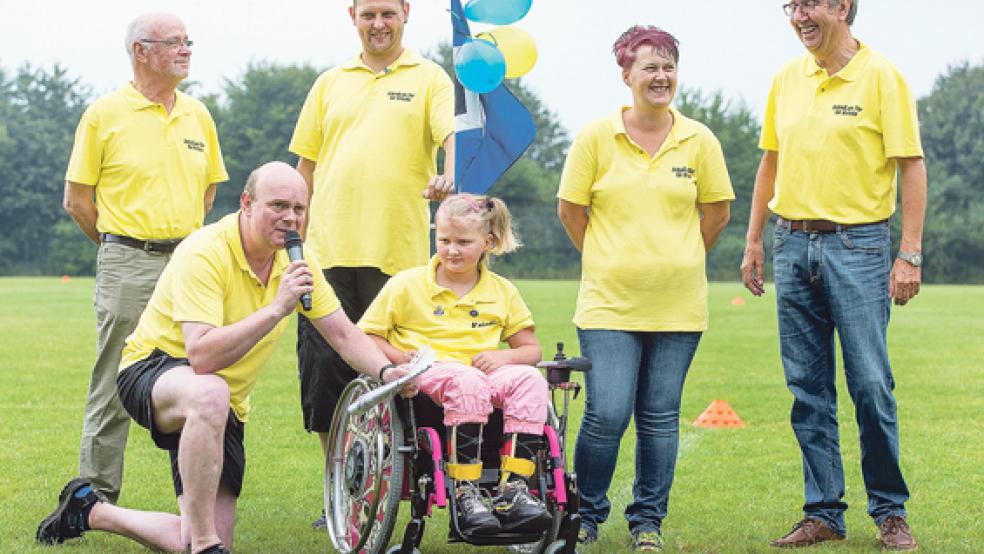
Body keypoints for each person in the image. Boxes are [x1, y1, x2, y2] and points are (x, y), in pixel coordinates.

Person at [36, 162, 416, 554]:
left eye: (299, 209)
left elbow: (342, 333)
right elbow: (199, 355)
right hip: (155, 368)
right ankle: (204, 545)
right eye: (279, 205)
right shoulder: (205, 251)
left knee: (203, 537)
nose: (290, 218)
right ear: (247, 203)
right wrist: (276, 308)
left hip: (223, 400)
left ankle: (90, 510)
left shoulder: (298, 261)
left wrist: (389, 372)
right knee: (209, 397)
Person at [739, 1, 925, 550]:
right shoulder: (785, 79)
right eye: (791, 5)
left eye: (810, 3)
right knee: (807, 389)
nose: (799, 15)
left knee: (870, 383)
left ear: (842, 7)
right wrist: (753, 239)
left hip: (859, 245)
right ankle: (823, 513)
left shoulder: (883, 77)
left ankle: (890, 512)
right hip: (791, 243)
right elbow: (769, 161)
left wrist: (909, 253)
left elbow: (910, 164)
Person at [557, 26, 734, 553]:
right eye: (649, 67)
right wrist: (606, 259)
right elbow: (571, 210)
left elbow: (717, 213)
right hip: (608, 304)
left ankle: (647, 522)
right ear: (626, 75)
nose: (661, 77)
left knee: (659, 418)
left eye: (668, 67)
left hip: (678, 307)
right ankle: (584, 517)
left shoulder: (700, 140)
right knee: (607, 413)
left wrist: (679, 259)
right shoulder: (595, 137)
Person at [287, 0, 454, 527]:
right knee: (324, 380)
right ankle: (342, 489)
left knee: (399, 375)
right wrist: (294, 235)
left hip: (398, 258)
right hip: (327, 254)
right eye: (368, 14)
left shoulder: (430, 78)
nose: (378, 23)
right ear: (352, 16)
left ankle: (397, 486)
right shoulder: (329, 82)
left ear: (406, 13)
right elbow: (305, 167)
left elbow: (453, 136)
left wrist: (448, 174)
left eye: (388, 12)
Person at [60, 12, 227, 504]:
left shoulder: (198, 114)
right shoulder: (103, 114)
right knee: (114, 377)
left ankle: (199, 494)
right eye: (174, 42)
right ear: (141, 51)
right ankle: (95, 496)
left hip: (191, 268)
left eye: (187, 41)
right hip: (128, 262)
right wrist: (119, 246)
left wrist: (180, 249)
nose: (186, 50)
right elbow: (77, 199)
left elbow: (209, 192)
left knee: (202, 375)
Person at [359, 193, 552, 536]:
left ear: (487, 243)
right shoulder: (407, 285)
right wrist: (401, 360)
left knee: (530, 380)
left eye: (464, 242)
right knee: (467, 381)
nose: (451, 250)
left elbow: (530, 350)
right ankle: (465, 492)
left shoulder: (502, 291)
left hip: (482, 375)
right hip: (428, 376)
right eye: (444, 240)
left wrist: (503, 357)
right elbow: (367, 337)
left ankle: (514, 490)